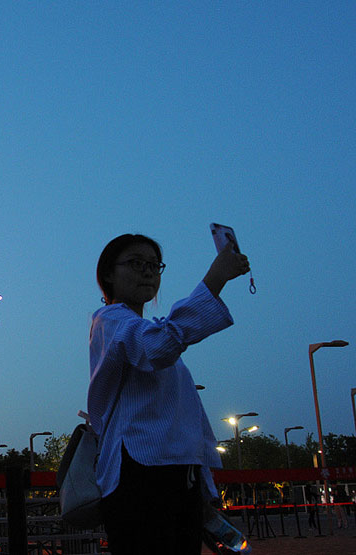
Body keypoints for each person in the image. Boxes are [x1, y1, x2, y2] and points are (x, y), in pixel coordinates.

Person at [87, 233, 250, 555]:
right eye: (136, 263)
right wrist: (215, 279)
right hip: (141, 473)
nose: (148, 272)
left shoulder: (142, 329)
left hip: (174, 475)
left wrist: (201, 487)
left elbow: (186, 419)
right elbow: (159, 345)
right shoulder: (110, 320)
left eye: (154, 265)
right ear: (108, 274)